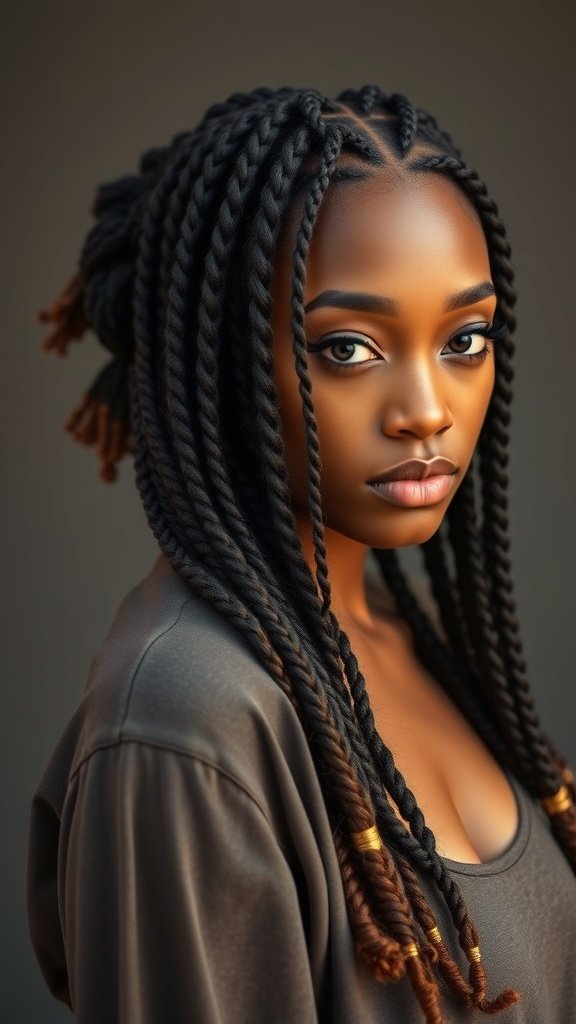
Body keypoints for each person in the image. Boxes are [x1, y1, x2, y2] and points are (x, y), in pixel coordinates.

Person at [27, 84, 576, 1023]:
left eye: (465, 339)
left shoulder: (416, 638)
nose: (428, 409)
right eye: (350, 347)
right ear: (221, 356)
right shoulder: (183, 718)